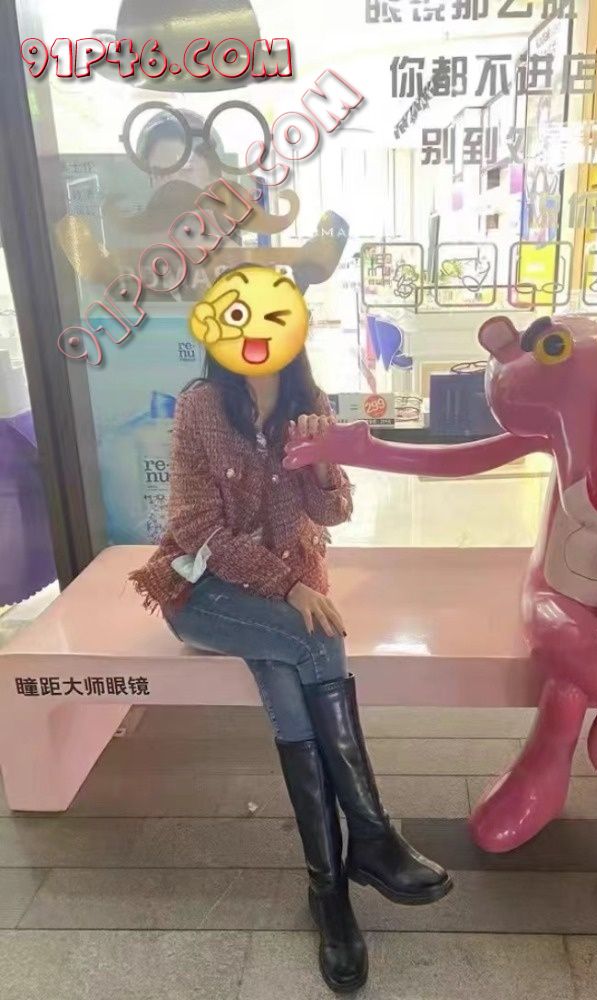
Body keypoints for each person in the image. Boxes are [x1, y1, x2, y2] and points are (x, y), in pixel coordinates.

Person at [130, 275, 452, 993]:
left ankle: (329, 891)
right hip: (205, 591)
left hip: (285, 595)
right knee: (316, 642)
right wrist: (288, 586)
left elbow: (333, 512)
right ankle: (371, 837)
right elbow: (195, 527)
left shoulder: (310, 404)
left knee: (293, 686)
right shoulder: (201, 405)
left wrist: (323, 457)